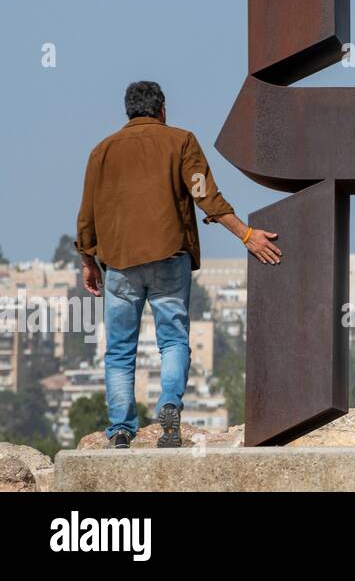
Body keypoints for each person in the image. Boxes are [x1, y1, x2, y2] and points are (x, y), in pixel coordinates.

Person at [74, 81, 281, 447]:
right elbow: (206, 196)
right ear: (163, 110)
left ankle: (121, 429)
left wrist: (88, 262)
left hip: (119, 265)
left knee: (120, 349)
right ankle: (169, 407)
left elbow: (87, 215)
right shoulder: (182, 141)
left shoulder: (100, 152)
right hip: (170, 258)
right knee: (173, 340)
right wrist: (246, 236)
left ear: (128, 111)